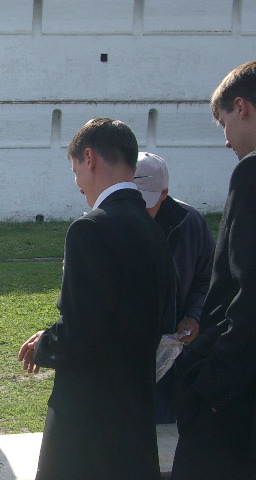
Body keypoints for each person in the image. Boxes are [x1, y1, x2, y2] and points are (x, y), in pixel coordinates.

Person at [18, 118, 176, 480]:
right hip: (135, 414)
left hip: (88, 422)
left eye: (75, 169)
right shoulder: (154, 231)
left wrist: (44, 344)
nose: (77, 184)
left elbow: (81, 333)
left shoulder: (90, 229)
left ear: (89, 158)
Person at [171, 61, 256, 479]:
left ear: (242, 107)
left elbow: (248, 290)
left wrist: (212, 383)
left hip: (238, 393)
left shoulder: (252, 172)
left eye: (224, 123)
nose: (226, 141)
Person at [134, 152, 215, 423]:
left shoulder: (190, 223)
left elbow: (209, 277)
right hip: (127, 350)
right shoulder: (113, 222)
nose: (139, 209)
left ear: (164, 193)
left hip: (175, 349)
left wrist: (193, 315)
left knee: (167, 425)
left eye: (146, 202)